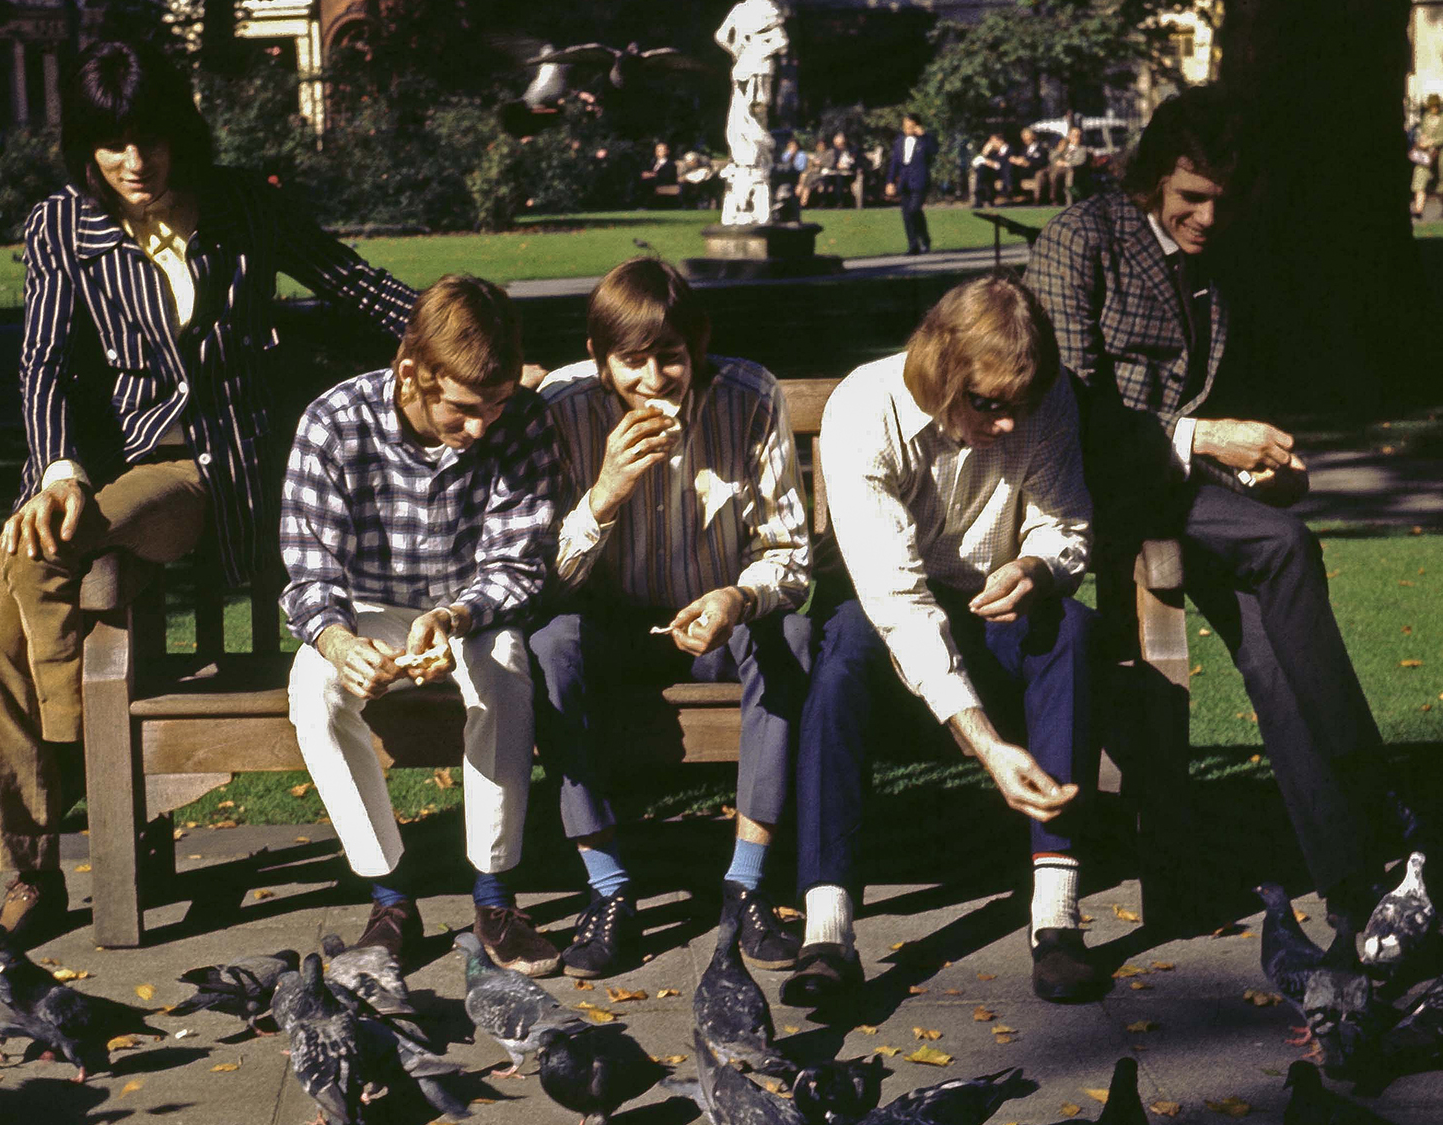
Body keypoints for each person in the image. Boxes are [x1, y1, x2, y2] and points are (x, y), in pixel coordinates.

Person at [0, 39, 421, 945]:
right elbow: (44, 364)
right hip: (87, 465)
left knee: (63, 546)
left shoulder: (244, 205)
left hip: (198, 468)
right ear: (84, 148)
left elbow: (352, 284)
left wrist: (461, 335)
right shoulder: (63, 227)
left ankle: (78, 759)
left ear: (181, 132)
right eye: (113, 143)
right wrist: (57, 467)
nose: (137, 162)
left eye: (153, 138)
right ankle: (33, 875)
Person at [1025, 85, 1387, 927]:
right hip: (1098, 494)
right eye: (1192, 199)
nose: (1209, 219)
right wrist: (1208, 439)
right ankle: (1369, 788)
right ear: (1153, 178)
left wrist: (1268, 467)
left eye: (1224, 201)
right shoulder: (1081, 240)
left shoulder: (1224, 254)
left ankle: (1350, 881)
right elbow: (1067, 412)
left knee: (1269, 644)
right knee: (1287, 548)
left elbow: (1232, 386)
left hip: (1188, 496)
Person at [780, 274, 1103, 1008]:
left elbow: (1068, 524)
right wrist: (988, 744)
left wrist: (1038, 564)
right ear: (942, 371)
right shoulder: (864, 408)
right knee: (839, 661)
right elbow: (896, 596)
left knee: (1074, 632)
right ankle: (828, 930)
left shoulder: (1041, 402)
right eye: (989, 405)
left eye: (1021, 406)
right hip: (888, 606)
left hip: (995, 601)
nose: (1010, 426)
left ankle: (1057, 918)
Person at [531, 258, 813, 979]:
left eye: (671, 358)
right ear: (599, 359)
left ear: (699, 347)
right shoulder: (564, 406)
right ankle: (607, 888)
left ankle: (747, 881)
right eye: (631, 362)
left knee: (790, 633)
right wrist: (605, 492)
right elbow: (539, 583)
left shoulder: (748, 396)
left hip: (714, 619)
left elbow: (787, 553)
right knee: (546, 643)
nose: (653, 380)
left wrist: (735, 598)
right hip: (611, 623)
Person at [281, 275, 562, 974]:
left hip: (469, 608)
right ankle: (390, 892)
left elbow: (518, 564)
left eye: (496, 405)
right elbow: (311, 573)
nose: (482, 428)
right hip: (365, 607)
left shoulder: (522, 420)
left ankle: (495, 895)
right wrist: (341, 643)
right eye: (465, 409)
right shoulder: (333, 422)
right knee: (315, 691)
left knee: (504, 672)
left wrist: (455, 614)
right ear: (411, 371)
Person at [885, 114, 935, 254]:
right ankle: (913, 245)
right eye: (905, 126)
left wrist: (924, 136)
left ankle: (925, 239)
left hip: (920, 180)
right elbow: (894, 163)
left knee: (914, 209)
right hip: (904, 181)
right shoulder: (899, 141)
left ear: (917, 126)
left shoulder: (925, 140)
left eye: (911, 126)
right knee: (906, 213)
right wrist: (890, 182)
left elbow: (933, 152)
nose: (907, 129)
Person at [1410, 93, 1443, 220]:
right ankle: (1418, 209)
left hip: (1441, 154)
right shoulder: (1426, 117)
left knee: (1442, 184)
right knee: (1419, 178)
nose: (1434, 109)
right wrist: (1422, 141)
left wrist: (1432, 142)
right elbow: (1422, 132)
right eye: (1431, 106)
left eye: (1436, 106)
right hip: (1426, 155)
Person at [1047, 117, 1088, 206]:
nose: (1076, 138)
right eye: (1074, 136)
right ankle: (1054, 199)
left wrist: (1066, 164)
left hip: (1074, 171)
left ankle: (1069, 201)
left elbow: (1080, 162)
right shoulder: (1064, 147)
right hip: (1059, 170)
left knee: (1070, 173)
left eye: (1078, 136)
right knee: (1055, 173)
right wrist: (1059, 151)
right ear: (1069, 137)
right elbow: (1052, 157)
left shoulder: (1082, 149)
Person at [971, 132, 1015, 206]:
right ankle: (980, 199)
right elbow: (982, 162)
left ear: (1001, 141)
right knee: (982, 168)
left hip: (1005, 173)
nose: (991, 144)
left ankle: (982, 199)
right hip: (993, 173)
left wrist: (991, 163)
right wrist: (984, 153)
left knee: (983, 171)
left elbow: (1002, 165)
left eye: (993, 141)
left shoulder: (1010, 149)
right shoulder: (993, 152)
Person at [1014, 126, 1052, 205]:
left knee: (1039, 175)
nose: (1024, 138)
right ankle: (1014, 196)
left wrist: (1028, 163)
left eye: (1026, 135)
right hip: (1024, 172)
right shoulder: (1024, 149)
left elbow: (1042, 161)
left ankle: (1037, 201)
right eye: (1023, 136)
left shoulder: (1041, 147)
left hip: (1037, 170)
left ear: (1033, 136)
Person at [638, 141, 679, 208]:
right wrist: (645, 174)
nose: (658, 152)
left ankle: (646, 205)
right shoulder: (652, 162)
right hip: (649, 183)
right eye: (657, 150)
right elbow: (647, 171)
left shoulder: (671, 164)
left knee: (648, 185)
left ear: (667, 151)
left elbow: (668, 176)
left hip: (663, 183)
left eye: (661, 150)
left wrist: (653, 175)